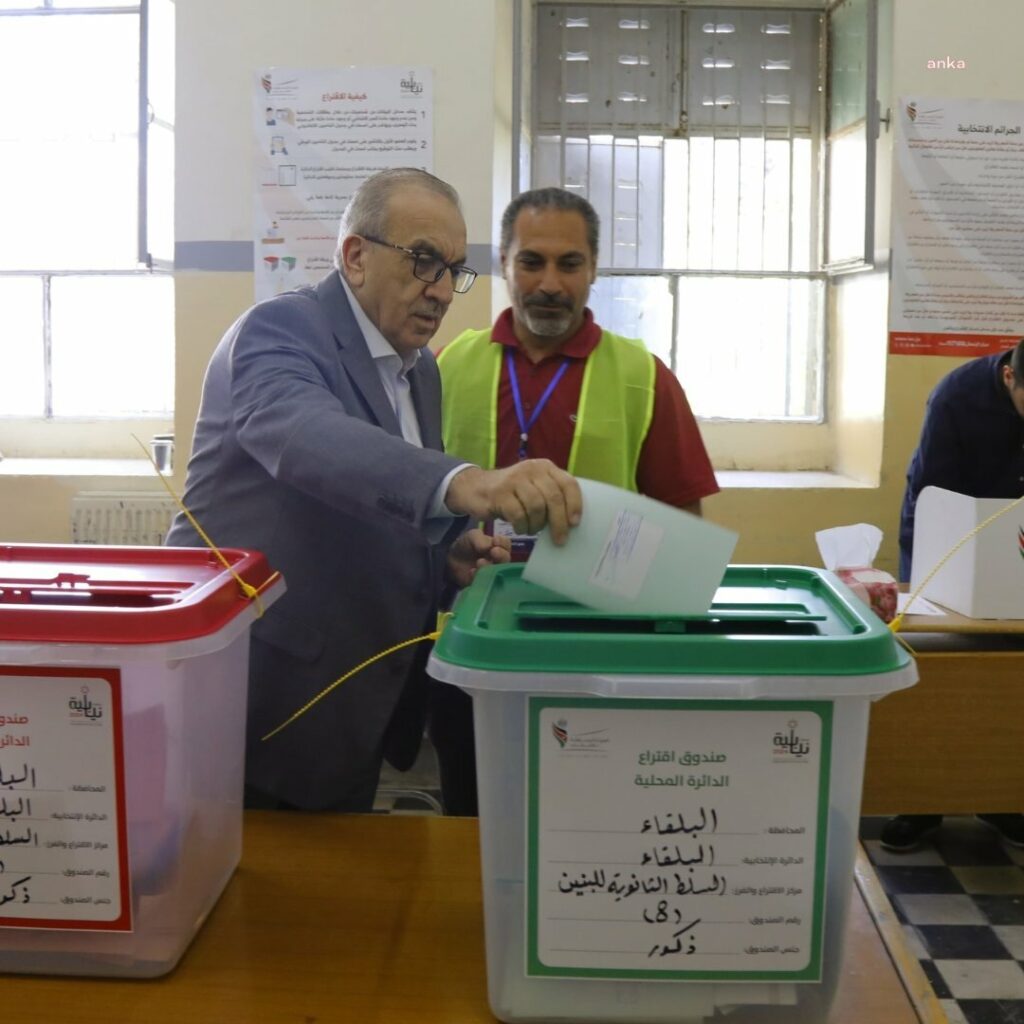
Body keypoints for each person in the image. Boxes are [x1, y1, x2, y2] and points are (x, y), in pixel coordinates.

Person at [166, 168, 582, 812]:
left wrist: (443, 558)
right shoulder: (277, 332)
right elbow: (305, 436)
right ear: (355, 256)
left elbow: (372, 507)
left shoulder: (419, 376)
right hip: (259, 697)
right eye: (423, 262)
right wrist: (465, 482)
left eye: (451, 269)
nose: (442, 291)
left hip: (353, 704)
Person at [431, 186, 719, 815]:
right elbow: (414, 497)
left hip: (597, 651)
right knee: (473, 813)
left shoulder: (644, 376)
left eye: (570, 264)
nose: (551, 284)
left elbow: (684, 530)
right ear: (504, 264)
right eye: (531, 262)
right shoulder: (448, 364)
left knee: (591, 821)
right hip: (472, 644)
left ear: (593, 270)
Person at [882, 338, 1024, 852]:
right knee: (935, 661)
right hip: (944, 534)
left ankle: (1001, 799)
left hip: (1019, 541)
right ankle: (920, 803)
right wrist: (942, 577)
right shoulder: (956, 396)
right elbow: (935, 492)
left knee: (1009, 673)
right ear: (1009, 377)